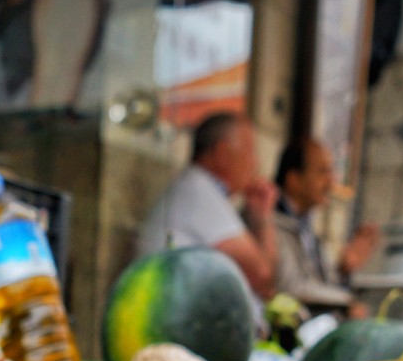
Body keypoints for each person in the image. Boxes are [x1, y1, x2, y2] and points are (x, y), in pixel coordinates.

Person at [136, 111, 276, 301]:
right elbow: (263, 276)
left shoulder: (202, 190)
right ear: (222, 154)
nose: (255, 163)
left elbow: (265, 286)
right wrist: (263, 216)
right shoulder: (197, 191)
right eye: (250, 151)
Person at [270, 138, 381, 317]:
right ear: (294, 179)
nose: (331, 181)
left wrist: (344, 270)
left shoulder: (306, 225)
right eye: (322, 171)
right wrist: (346, 302)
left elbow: (320, 286)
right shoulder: (270, 222)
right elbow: (291, 287)